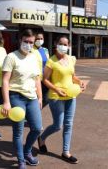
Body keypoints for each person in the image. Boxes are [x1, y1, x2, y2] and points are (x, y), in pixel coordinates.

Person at [38, 35, 85, 164]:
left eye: (65, 44)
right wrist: (57, 89)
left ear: (69, 46)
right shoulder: (51, 61)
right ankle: (42, 138)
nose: (63, 46)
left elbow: (73, 76)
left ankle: (66, 152)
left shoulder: (71, 59)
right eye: (61, 43)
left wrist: (80, 82)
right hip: (56, 96)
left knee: (69, 124)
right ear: (55, 44)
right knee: (58, 125)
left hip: (71, 95)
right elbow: (45, 80)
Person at [1, 29, 43, 169]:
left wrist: (40, 97)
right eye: (26, 41)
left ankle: (27, 152)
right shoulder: (11, 57)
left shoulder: (34, 56)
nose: (28, 44)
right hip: (16, 96)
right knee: (18, 131)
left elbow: (37, 79)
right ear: (20, 40)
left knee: (37, 128)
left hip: (32, 97)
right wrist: (6, 102)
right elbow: (5, 81)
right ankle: (21, 161)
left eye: (31, 42)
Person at [32, 32, 50, 108]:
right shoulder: (31, 50)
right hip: (35, 79)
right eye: (37, 39)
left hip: (45, 78)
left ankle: (36, 111)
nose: (39, 40)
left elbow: (48, 63)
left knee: (46, 98)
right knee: (36, 98)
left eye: (41, 39)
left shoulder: (45, 50)